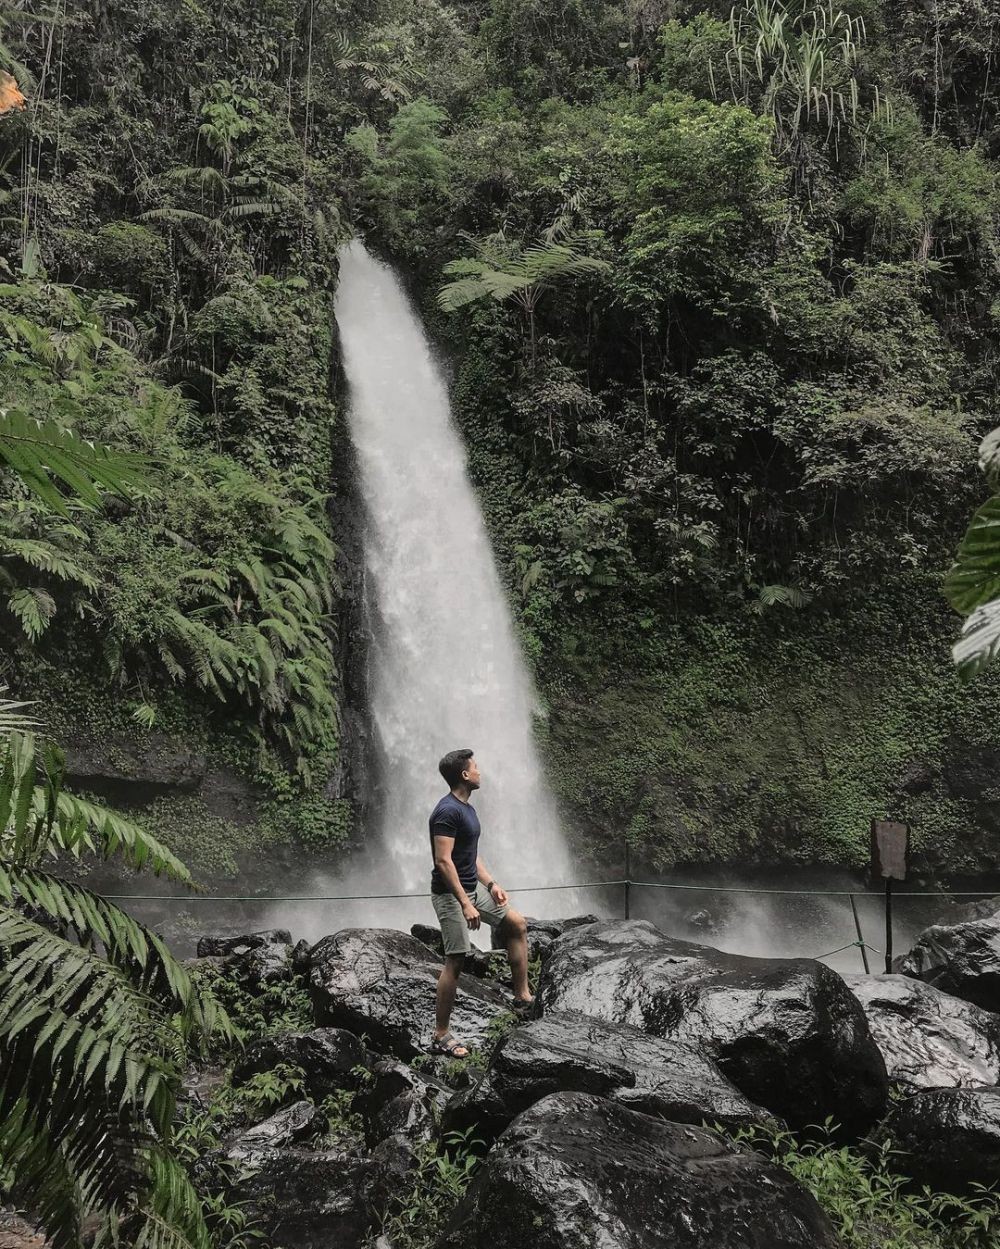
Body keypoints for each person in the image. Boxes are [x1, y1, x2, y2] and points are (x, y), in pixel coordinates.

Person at [428, 747, 533, 1057]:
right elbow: (443, 861)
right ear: (464, 775)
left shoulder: (467, 809)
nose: (479, 771)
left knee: (517, 924)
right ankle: (441, 1034)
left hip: (473, 889)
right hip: (450, 895)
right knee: (456, 958)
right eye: (475, 767)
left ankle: (522, 995)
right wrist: (465, 903)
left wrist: (492, 884)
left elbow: (470, 856)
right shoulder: (447, 811)